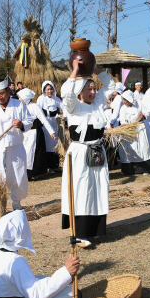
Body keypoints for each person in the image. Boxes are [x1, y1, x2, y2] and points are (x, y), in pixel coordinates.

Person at [60, 61, 116, 248]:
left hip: (98, 151)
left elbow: (110, 85)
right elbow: (66, 93)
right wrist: (75, 71)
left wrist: (96, 70)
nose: (92, 92)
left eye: (94, 88)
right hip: (79, 154)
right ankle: (79, 233)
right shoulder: (73, 106)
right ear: (80, 91)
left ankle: (94, 230)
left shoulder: (99, 103)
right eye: (88, 89)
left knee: (98, 188)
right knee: (81, 189)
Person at [0, 78, 34, 222]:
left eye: (1, 93)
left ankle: (16, 204)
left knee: (18, 175)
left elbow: (29, 121)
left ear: (8, 91)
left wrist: (21, 124)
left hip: (15, 146)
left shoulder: (19, 105)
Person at [118, 90, 150, 175]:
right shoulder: (123, 108)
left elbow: (148, 113)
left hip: (139, 129)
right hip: (128, 130)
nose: (123, 102)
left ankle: (143, 169)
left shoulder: (139, 104)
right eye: (123, 100)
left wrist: (144, 116)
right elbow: (122, 119)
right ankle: (127, 169)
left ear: (129, 99)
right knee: (127, 150)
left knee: (141, 149)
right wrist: (127, 126)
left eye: (125, 100)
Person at [17, 88, 49, 180]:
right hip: (25, 133)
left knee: (34, 153)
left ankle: (35, 173)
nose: (19, 99)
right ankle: (24, 173)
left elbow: (44, 120)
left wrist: (52, 132)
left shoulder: (34, 107)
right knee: (25, 152)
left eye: (21, 98)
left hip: (35, 134)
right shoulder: (21, 107)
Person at [37, 81, 65, 173]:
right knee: (47, 145)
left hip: (54, 123)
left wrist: (64, 116)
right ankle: (47, 166)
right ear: (44, 90)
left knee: (55, 144)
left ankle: (54, 165)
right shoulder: (41, 99)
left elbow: (63, 107)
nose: (49, 91)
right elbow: (38, 111)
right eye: (47, 89)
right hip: (46, 124)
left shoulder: (56, 99)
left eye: (51, 89)